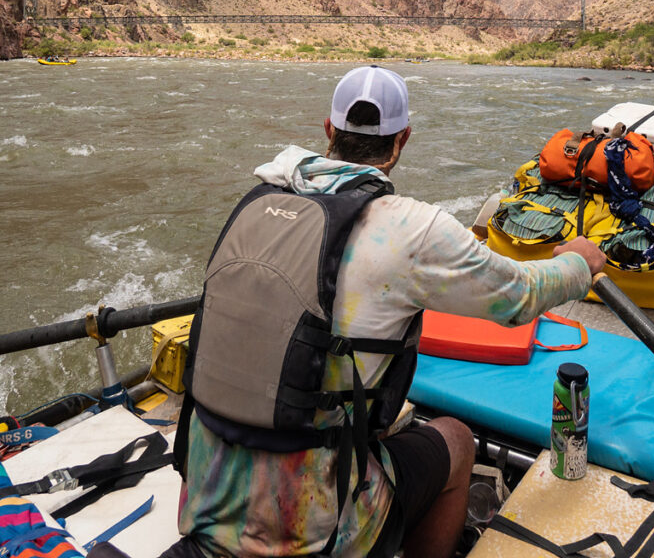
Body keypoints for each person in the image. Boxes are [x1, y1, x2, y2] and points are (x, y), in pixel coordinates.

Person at [173, 65, 605, 558]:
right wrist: (580, 264)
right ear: (402, 140)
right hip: (309, 527)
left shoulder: (257, 202)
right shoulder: (413, 229)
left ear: (329, 131)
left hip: (203, 496)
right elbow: (521, 297)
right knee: (456, 440)